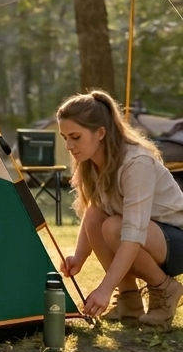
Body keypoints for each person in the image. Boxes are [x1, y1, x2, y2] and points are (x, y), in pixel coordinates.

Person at [58, 90, 183, 325]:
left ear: (101, 133)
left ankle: (165, 289)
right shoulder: (91, 164)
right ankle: (129, 301)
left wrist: (104, 289)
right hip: (149, 238)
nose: (69, 146)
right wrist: (79, 256)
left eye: (75, 137)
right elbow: (92, 212)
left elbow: (133, 233)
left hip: (178, 243)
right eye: (65, 138)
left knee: (115, 227)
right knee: (96, 214)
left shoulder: (137, 163)